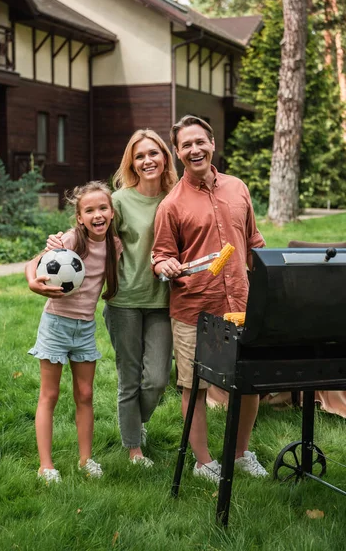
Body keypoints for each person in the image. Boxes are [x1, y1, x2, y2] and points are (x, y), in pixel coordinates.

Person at [47, 130, 177, 466]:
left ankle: (137, 423)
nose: (147, 160)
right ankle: (133, 447)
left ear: (164, 157)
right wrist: (60, 241)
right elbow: (90, 227)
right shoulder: (118, 200)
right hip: (123, 302)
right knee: (129, 377)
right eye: (139, 155)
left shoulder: (175, 197)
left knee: (157, 379)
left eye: (153, 153)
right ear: (131, 163)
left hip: (163, 300)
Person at [152, 115, 268, 484]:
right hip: (194, 309)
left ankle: (240, 452)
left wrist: (271, 284)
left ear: (212, 144)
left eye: (199, 141)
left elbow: (254, 242)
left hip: (240, 303)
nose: (194, 149)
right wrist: (166, 264)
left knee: (248, 383)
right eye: (186, 145)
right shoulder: (171, 204)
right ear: (178, 153)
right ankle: (204, 463)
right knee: (194, 385)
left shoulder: (237, 188)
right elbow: (160, 255)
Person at [25, 181, 122, 483]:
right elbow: (34, 263)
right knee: (49, 394)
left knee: (85, 394)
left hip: (85, 328)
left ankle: (85, 459)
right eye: (89, 210)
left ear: (112, 212)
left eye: (102, 208)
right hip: (56, 325)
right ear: (80, 217)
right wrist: (33, 281)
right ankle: (46, 465)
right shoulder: (68, 241)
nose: (97, 215)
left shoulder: (113, 246)